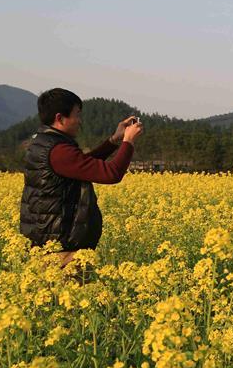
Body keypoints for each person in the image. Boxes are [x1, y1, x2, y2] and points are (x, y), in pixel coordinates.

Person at [19, 88, 144, 267]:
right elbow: (112, 174)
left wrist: (114, 140)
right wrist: (128, 141)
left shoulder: (46, 143)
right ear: (60, 118)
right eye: (77, 115)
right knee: (66, 295)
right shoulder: (58, 150)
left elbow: (83, 165)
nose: (80, 121)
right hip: (61, 249)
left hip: (53, 243)